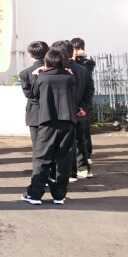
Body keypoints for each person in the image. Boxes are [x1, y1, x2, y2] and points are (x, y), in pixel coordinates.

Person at [22, 49, 78, 205]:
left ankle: (35, 194)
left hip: (47, 121)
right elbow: (75, 94)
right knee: (64, 158)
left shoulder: (42, 78)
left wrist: (36, 75)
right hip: (68, 121)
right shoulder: (70, 78)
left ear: (46, 63)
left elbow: (33, 96)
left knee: (42, 158)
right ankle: (59, 195)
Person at [53, 41, 94, 180]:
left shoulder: (59, 70)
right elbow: (90, 91)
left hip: (63, 113)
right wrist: (83, 107)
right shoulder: (83, 70)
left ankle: (70, 172)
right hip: (80, 112)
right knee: (80, 140)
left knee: (64, 143)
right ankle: (83, 169)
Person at [19, 41, 49, 144]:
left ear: (30, 55)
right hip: (52, 112)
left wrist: (39, 103)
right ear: (47, 52)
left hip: (34, 112)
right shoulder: (53, 70)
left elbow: (28, 94)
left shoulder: (24, 73)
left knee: (37, 145)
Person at [71, 37, 96, 158]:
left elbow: (84, 73)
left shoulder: (88, 63)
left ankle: (87, 154)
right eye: (75, 49)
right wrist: (73, 59)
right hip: (73, 102)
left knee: (85, 131)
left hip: (85, 103)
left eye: (80, 48)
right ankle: (77, 155)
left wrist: (79, 59)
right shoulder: (68, 63)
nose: (77, 51)